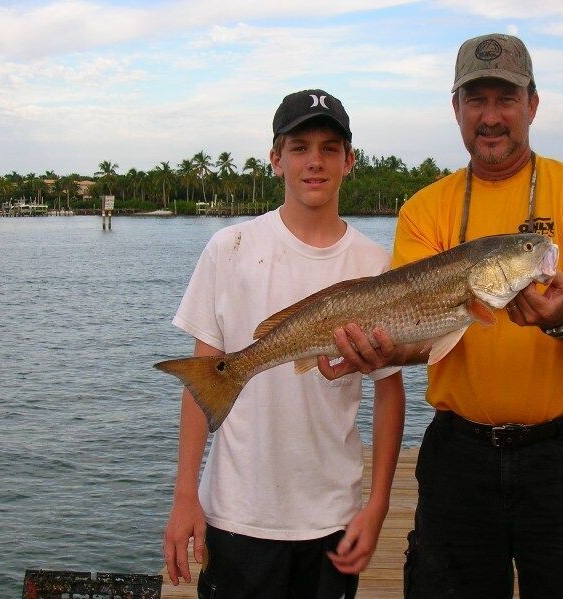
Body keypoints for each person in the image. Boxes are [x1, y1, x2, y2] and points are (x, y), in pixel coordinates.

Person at [318, 34, 563, 598]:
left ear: (532, 104)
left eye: (506, 99)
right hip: (458, 458)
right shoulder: (425, 208)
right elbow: (422, 337)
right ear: (456, 108)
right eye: (476, 100)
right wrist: (380, 351)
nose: (491, 117)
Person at [162, 89, 406, 599]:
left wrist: (377, 503)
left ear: (350, 160)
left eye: (329, 147)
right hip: (239, 512)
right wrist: (186, 494)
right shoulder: (229, 247)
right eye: (298, 147)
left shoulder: (374, 264)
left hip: (333, 514)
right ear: (275, 159)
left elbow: (389, 392)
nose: (314, 161)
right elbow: (202, 382)